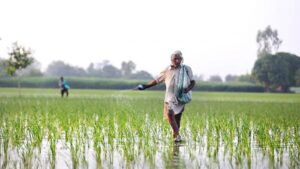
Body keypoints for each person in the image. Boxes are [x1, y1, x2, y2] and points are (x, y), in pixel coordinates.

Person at [137, 50, 195, 142]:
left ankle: (175, 138)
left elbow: (193, 82)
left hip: (181, 97)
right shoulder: (167, 69)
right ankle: (177, 136)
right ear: (171, 59)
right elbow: (157, 80)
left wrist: (187, 89)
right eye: (175, 58)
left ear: (181, 59)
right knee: (169, 113)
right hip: (169, 97)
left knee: (177, 119)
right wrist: (145, 86)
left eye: (179, 58)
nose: (177, 60)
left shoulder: (186, 69)